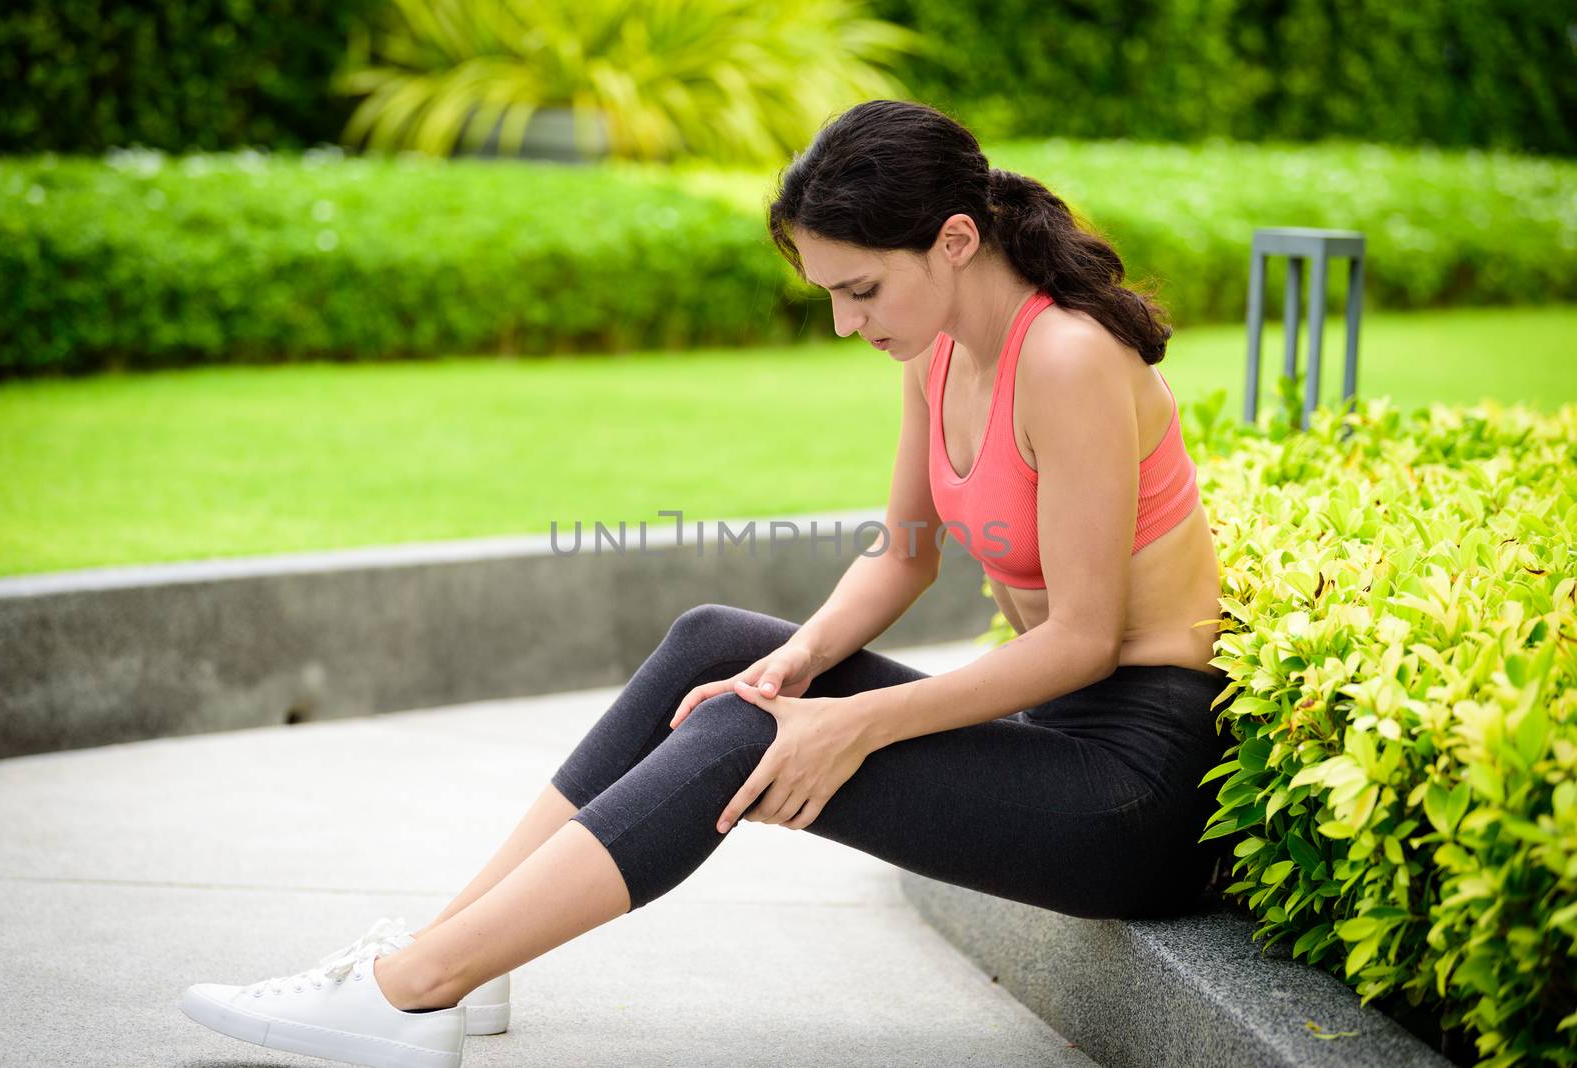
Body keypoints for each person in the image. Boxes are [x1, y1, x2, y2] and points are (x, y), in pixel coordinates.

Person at [180, 99, 1235, 1068]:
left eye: (860, 289)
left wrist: (849, 724)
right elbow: (904, 549)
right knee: (719, 650)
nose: (843, 323)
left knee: (748, 732)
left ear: (954, 240)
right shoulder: (941, 351)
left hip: (1131, 789)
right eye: (829, 295)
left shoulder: (1068, 358)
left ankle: (410, 992)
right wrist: (800, 663)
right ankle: (464, 948)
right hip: (1059, 737)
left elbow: (1084, 641)